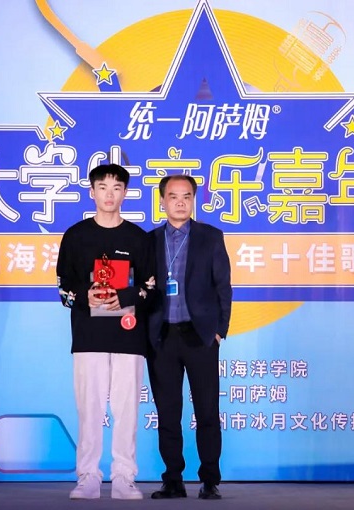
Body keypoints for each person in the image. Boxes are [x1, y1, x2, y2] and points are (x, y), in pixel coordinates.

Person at [56, 163, 156, 500]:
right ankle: (88, 476)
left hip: (129, 334)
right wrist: (84, 297)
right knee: (90, 408)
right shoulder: (76, 236)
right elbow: (63, 287)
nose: (109, 194)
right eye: (102, 187)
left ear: (125, 193)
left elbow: (151, 286)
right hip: (89, 334)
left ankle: (125, 477)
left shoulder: (138, 238)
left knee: (127, 409)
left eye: (116, 188)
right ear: (92, 192)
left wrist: (124, 297)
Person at [147, 175, 232, 500]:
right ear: (162, 201)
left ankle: (210, 479)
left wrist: (219, 331)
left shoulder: (211, 237)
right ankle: (173, 479)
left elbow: (223, 287)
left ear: (194, 200)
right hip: (162, 337)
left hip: (200, 336)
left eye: (186, 196)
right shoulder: (150, 241)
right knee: (168, 412)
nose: (180, 202)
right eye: (173, 196)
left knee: (207, 411)